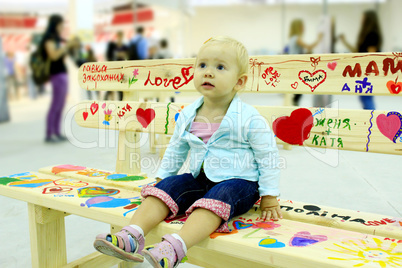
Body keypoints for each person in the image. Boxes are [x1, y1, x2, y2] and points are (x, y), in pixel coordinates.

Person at [93, 36, 281, 267]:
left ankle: (175, 246)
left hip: (240, 183)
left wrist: (269, 196)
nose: (208, 72)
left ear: (239, 82)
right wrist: (162, 178)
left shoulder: (249, 118)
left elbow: (268, 157)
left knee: (218, 197)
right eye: (202, 65)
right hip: (200, 178)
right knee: (166, 187)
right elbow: (176, 148)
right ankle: (131, 235)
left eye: (220, 67)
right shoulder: (189, 113)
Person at [39, 14, 75, 143]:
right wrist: (65, 46)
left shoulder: (56, 39)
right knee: (56, 104)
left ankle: (56, 132)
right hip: (56, 75)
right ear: (55, 25)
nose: (62, 27)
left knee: (60, 104)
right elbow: (53, 56)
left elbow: (59, 57)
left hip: (62, 74)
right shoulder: (48, 39)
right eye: (60, 24)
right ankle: (49, 133)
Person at [339, 10, 382, 110]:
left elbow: (371, 55)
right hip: (364, 70)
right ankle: (369, 117)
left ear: (368, 19)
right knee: (364, 97)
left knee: (366, 97)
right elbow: (358, 51)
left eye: (363, 17)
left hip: (368, 72)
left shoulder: (372, 34)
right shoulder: (367, 34)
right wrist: (344, 42)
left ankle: (371, 117)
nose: (361, 19)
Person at [288, 19, 323, 106]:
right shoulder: (297, 38)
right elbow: (309, 46)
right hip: (296, 66)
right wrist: (319, 39)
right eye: (302, 26)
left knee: (299, 88)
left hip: (294, 65)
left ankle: (294, 103)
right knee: (300, 88)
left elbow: (299, 52)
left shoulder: (292, 39)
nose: (304, 28)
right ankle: (294, 104)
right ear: (298, 27)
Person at [104, 31, 128, 101]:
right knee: (110, 87)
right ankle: (108, 101)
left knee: (120, 88)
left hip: (121, 69)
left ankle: (121, 101)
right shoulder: (111, 46)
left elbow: (126, 56)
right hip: (113, 69)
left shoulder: (124, 47)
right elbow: (108, 56)